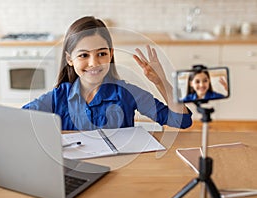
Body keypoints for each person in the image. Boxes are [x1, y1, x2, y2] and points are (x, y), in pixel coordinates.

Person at [22, 16, 192, 130]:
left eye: (101, 54)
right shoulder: (59, 96)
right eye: (83, 55)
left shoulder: (127, 93)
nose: (94, 63)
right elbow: (19, 120)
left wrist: (161, 81)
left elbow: (181, 121)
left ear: (110, 54)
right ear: (69, 59)